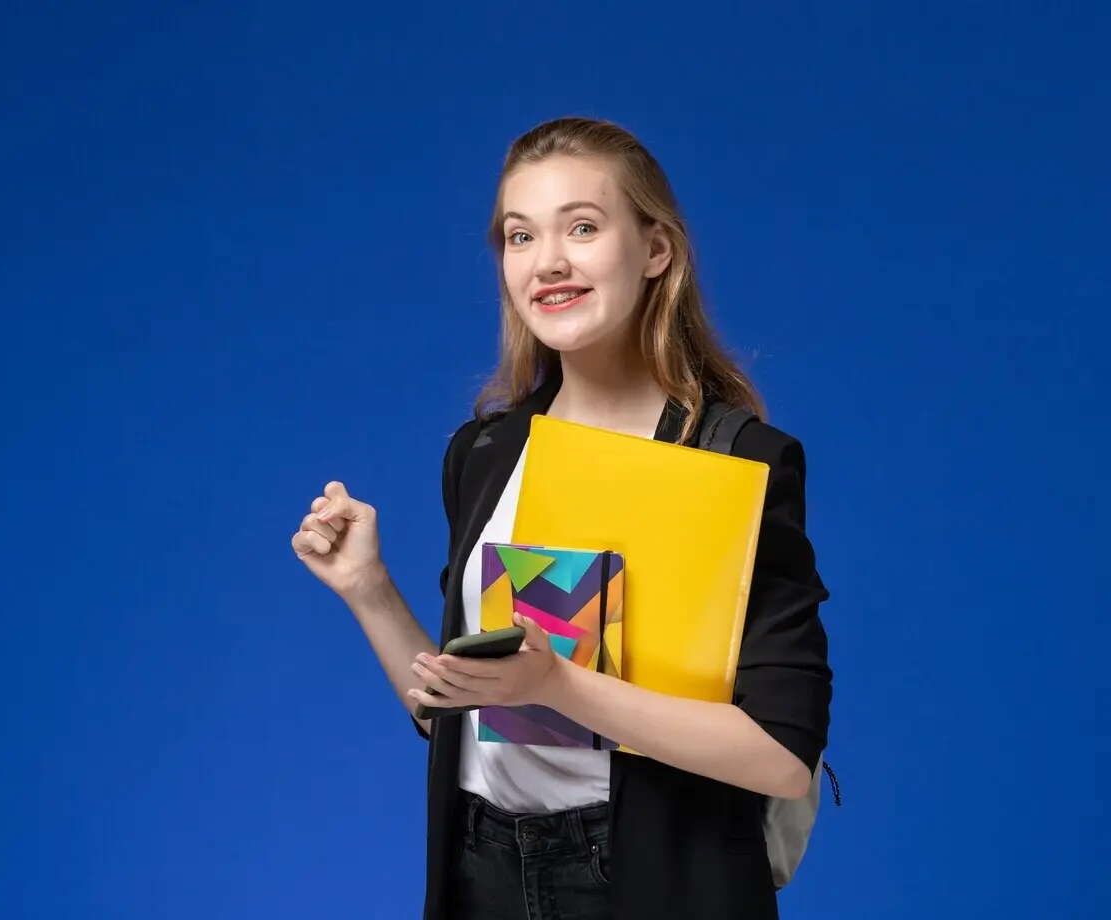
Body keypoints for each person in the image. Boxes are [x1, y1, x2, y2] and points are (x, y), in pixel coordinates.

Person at [291, 116, 833, 920]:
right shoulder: (487, 451)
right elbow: (467, 709)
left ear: (656, 251)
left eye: (582, 226)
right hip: (483, 872)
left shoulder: (734, 462)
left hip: (647, 881)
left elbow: (784, 757)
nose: (547, 262)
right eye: (519, 236)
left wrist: (561, 686)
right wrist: (367, 588)